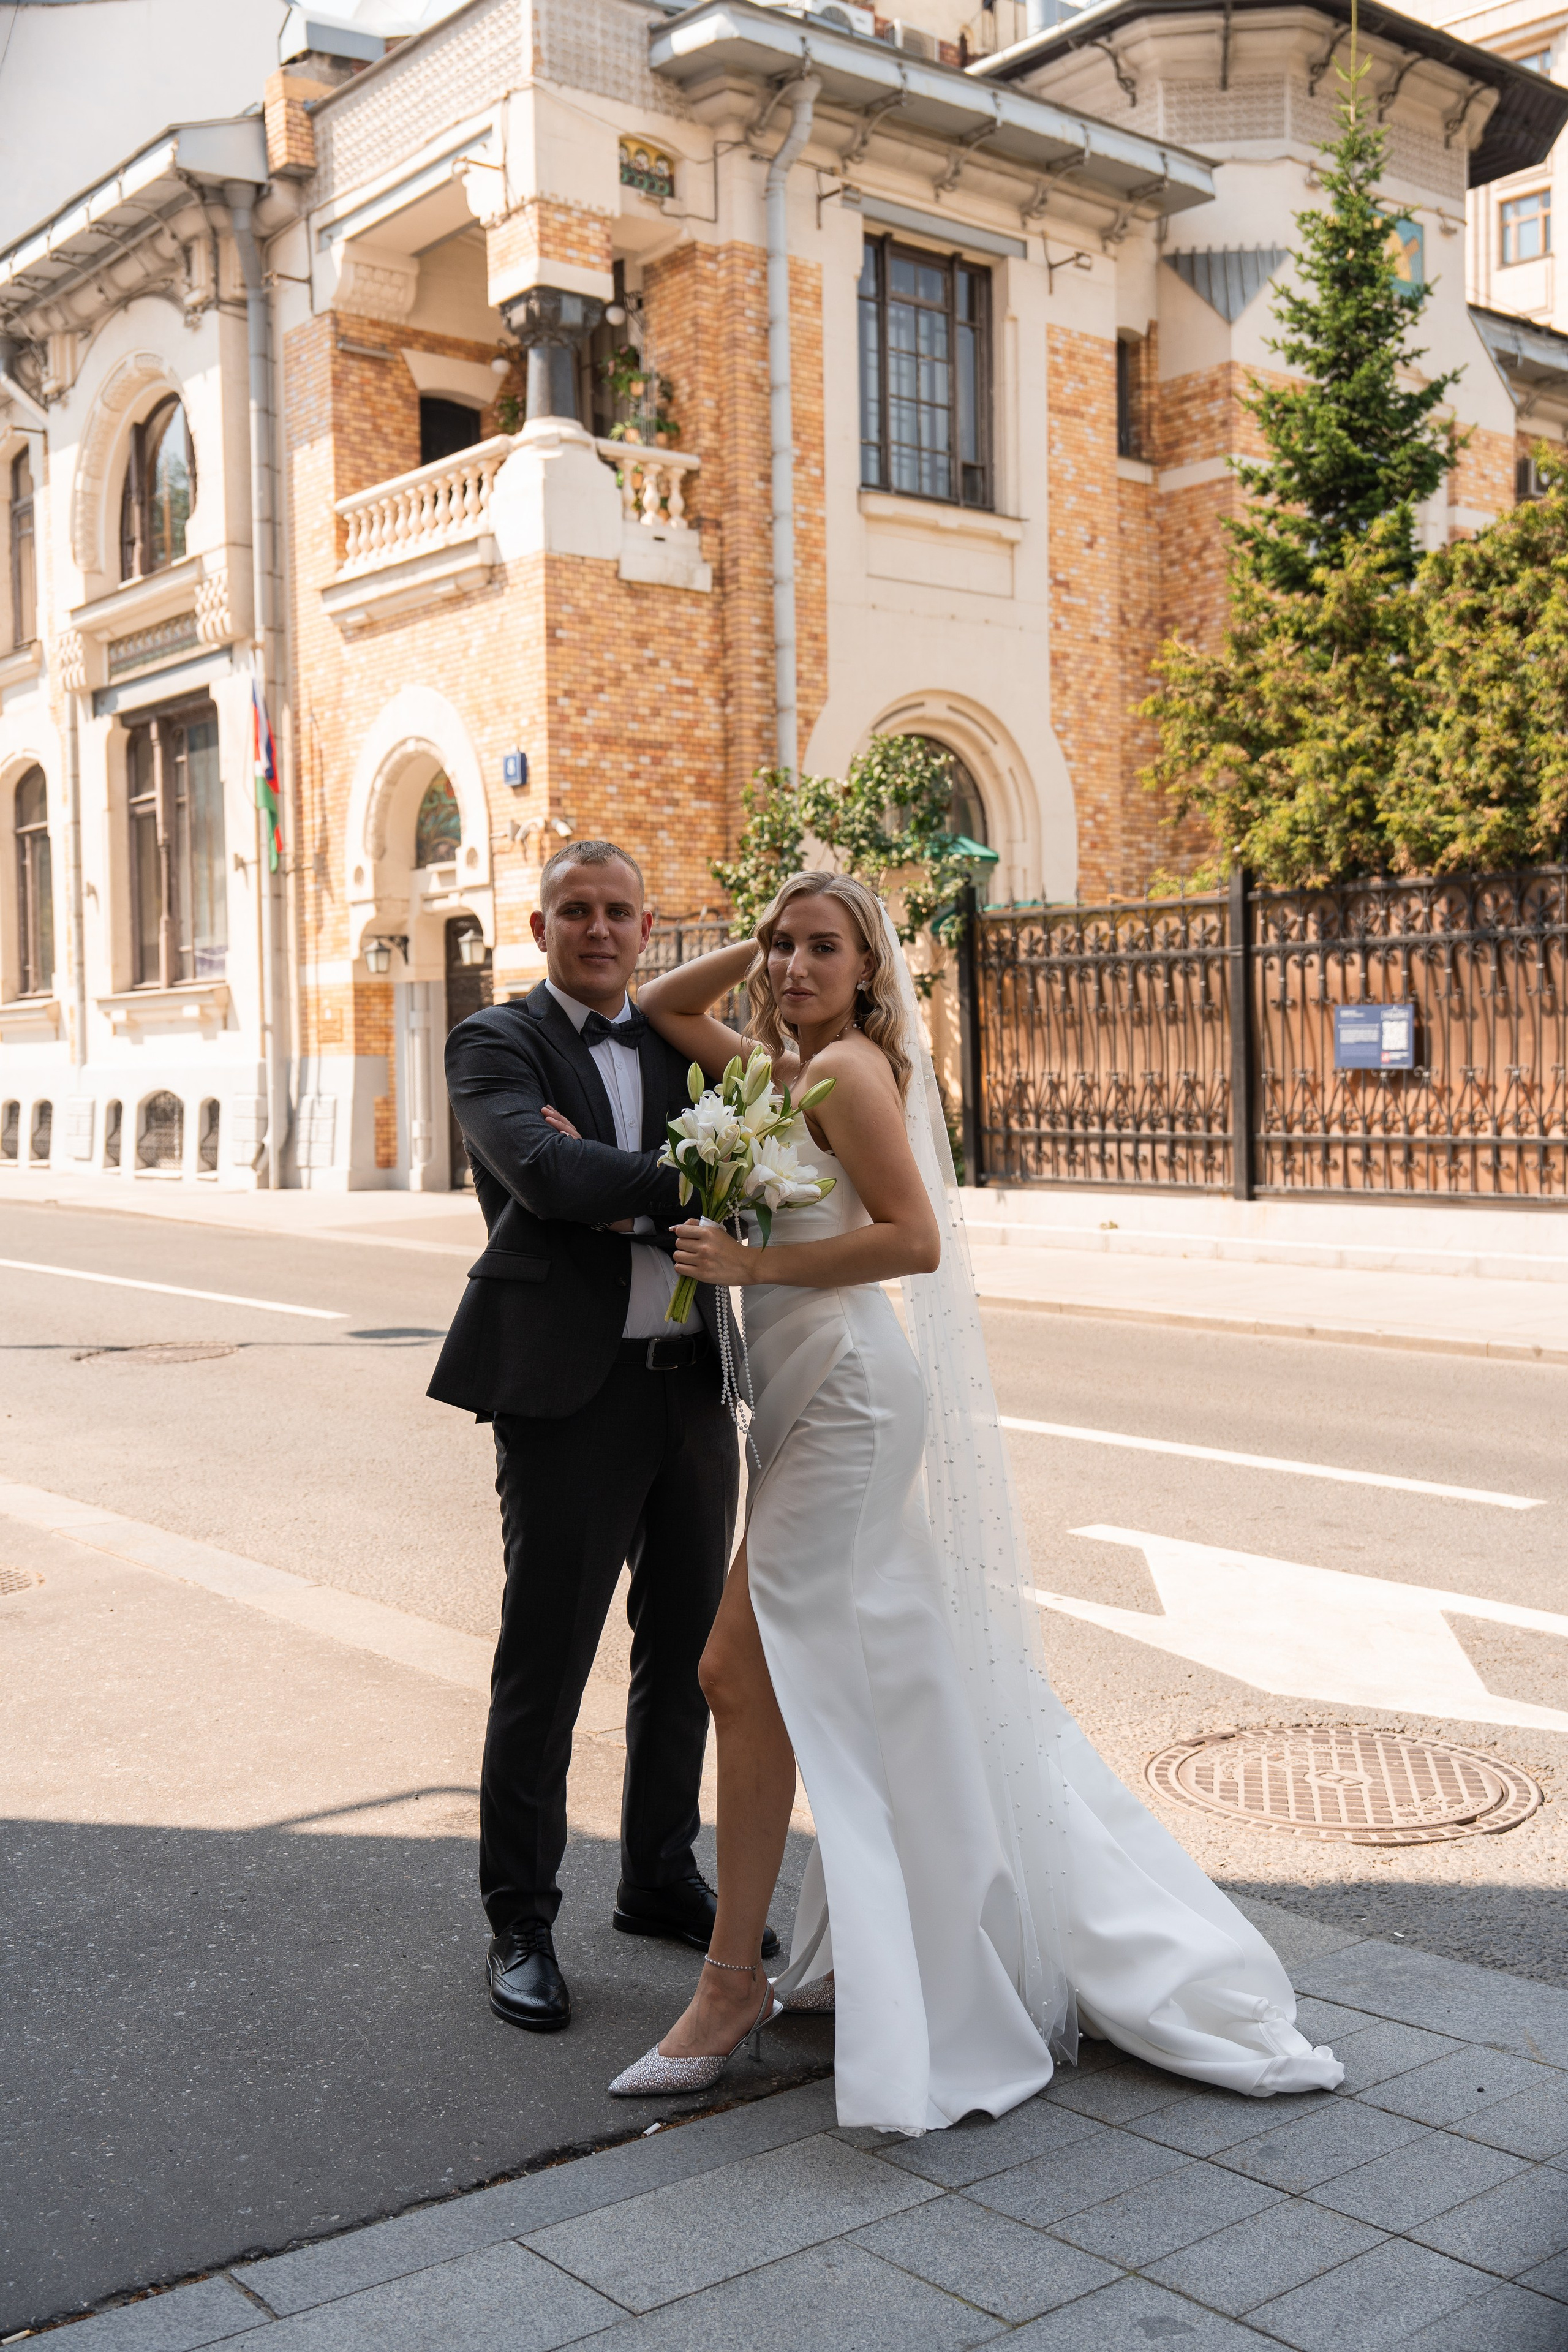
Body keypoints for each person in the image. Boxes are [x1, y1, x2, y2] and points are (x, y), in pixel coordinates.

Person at [601, 870, 1344, 2132]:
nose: (788, 966)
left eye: (819, 950)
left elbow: (912, 1239)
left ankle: (733, 1984)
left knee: (736, 1669)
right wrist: (775, 932)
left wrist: (751, 1259)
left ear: (868, 969)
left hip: (846, 1393)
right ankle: (874, 1929)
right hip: (802, 1396)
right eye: (779, 948)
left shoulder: (848, 1073)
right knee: (867, 1678)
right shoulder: (781, 1070)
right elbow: (663, 998)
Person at [428, 839, 774, 2038]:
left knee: (690, 1659)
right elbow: (540, 1168)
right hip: (566, 1398)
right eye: (573, 911)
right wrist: (679, 1185)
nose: (597, 929)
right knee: (545, 1664)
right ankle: (519, 1921)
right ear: (539, 929)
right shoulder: (494, 1042)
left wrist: (618, 1184)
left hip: (687, 1390)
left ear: (644, 926)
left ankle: (656, 1878)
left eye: (617, 911)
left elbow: (742, 1169)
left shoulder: (674, 1045)